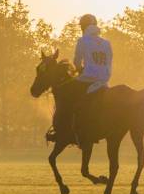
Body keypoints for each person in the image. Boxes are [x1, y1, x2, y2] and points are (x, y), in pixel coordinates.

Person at [47, 14, 113, 145]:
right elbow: (109, 62)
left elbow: (77, 62)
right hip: (104, 80)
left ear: (84, 26)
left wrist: (80, 69)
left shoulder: (83, 41)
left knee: (64, 95)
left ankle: (66, 132)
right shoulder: (106, 43)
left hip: (87, 79)